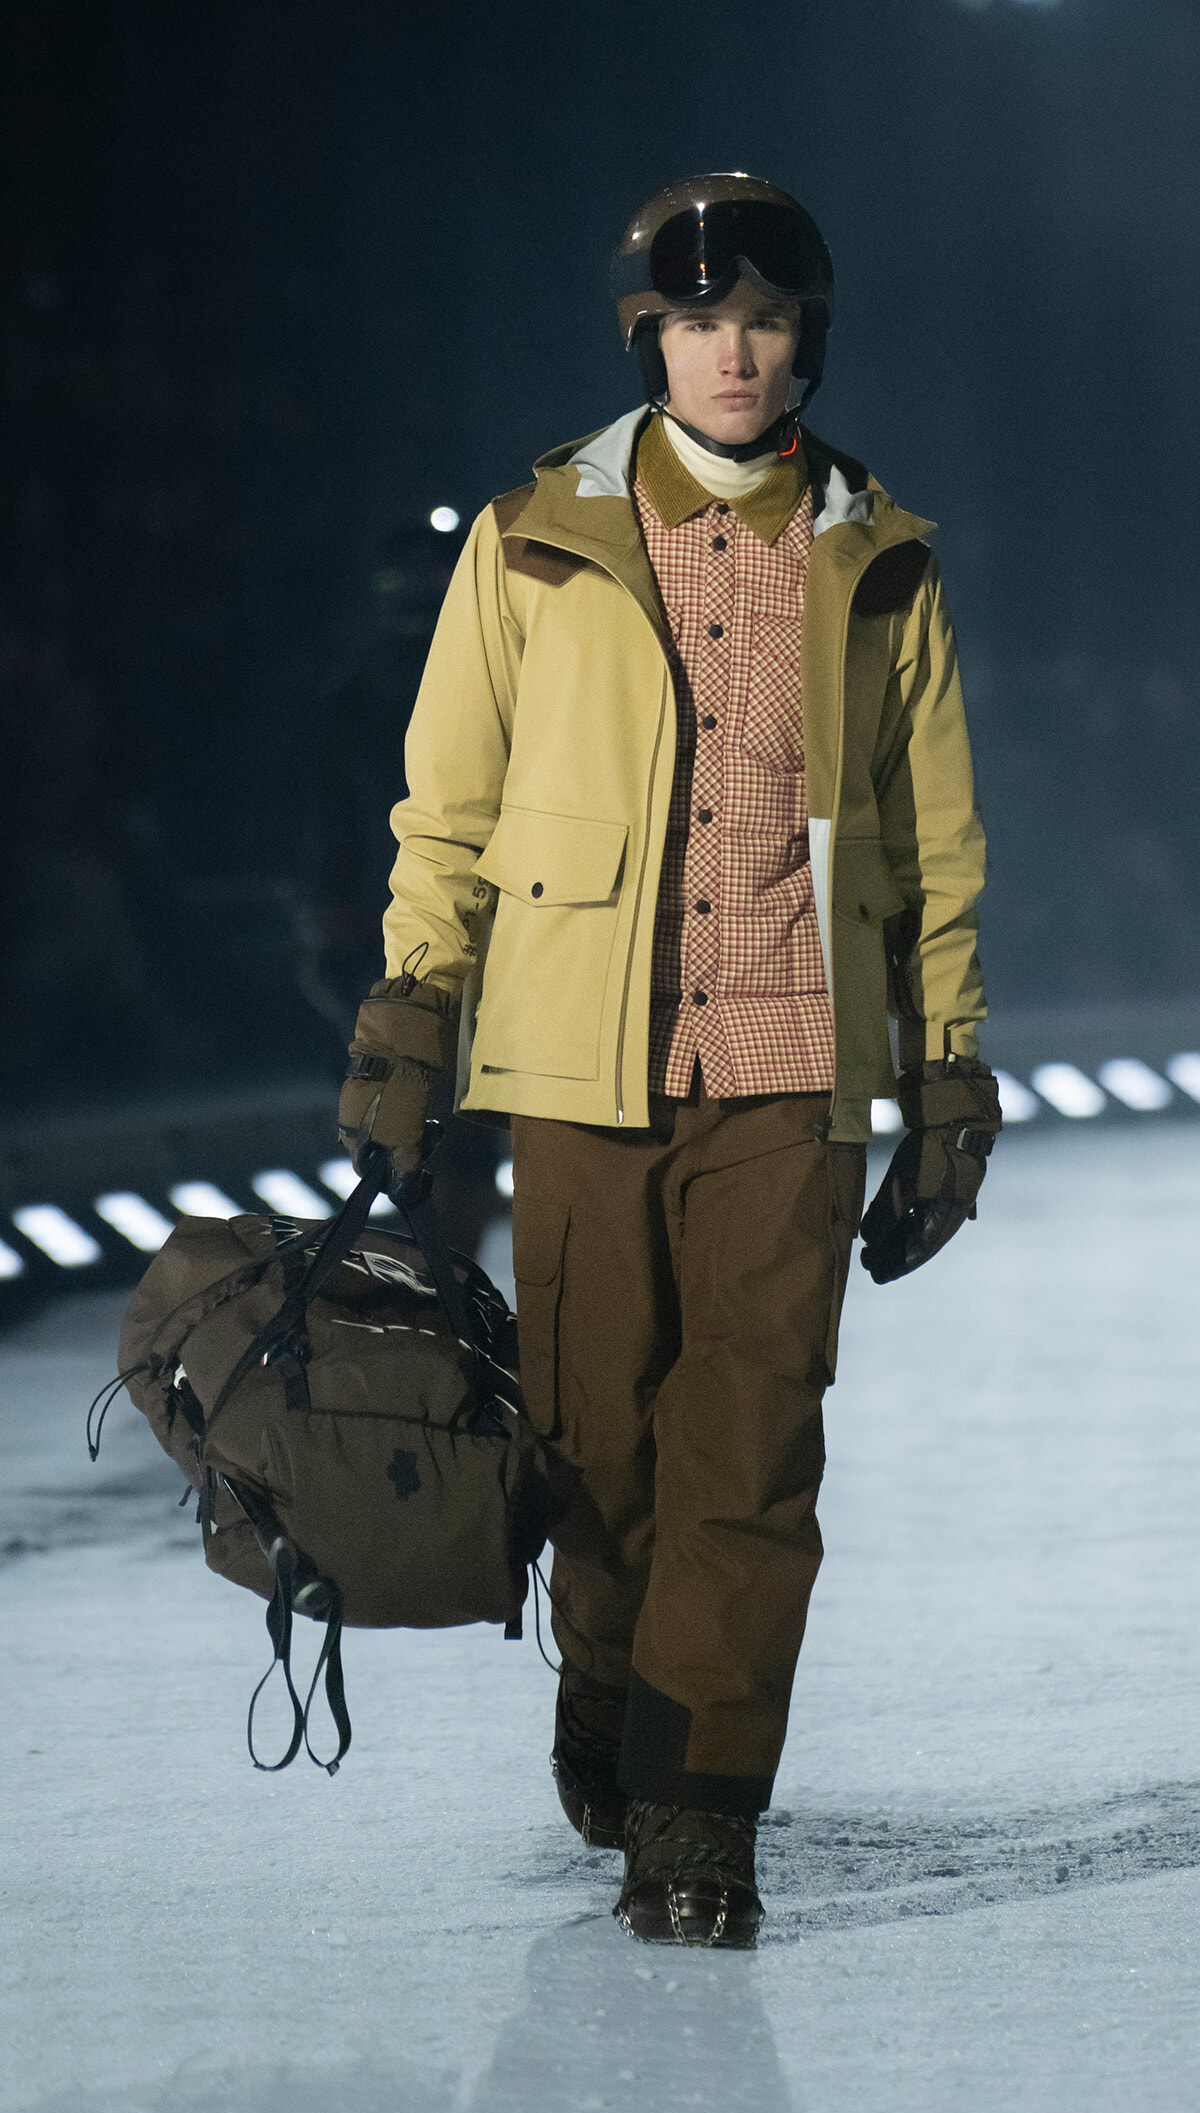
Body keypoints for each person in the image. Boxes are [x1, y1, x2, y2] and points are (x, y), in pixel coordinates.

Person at [337, 173, 1002, 1948]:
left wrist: (946, 1074)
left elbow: (932, 845)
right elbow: (447, 801)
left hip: (790, 1064)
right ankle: (613, 1686)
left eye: (766, 322)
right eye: (699, 323)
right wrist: (414, 1009)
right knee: (595, 1448)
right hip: (581, 1062)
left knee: (752, 1447)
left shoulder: (881, 560)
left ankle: (700, 1810)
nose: (734, 352)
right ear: (652, 339)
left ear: (807, 342)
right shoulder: (534, 537)